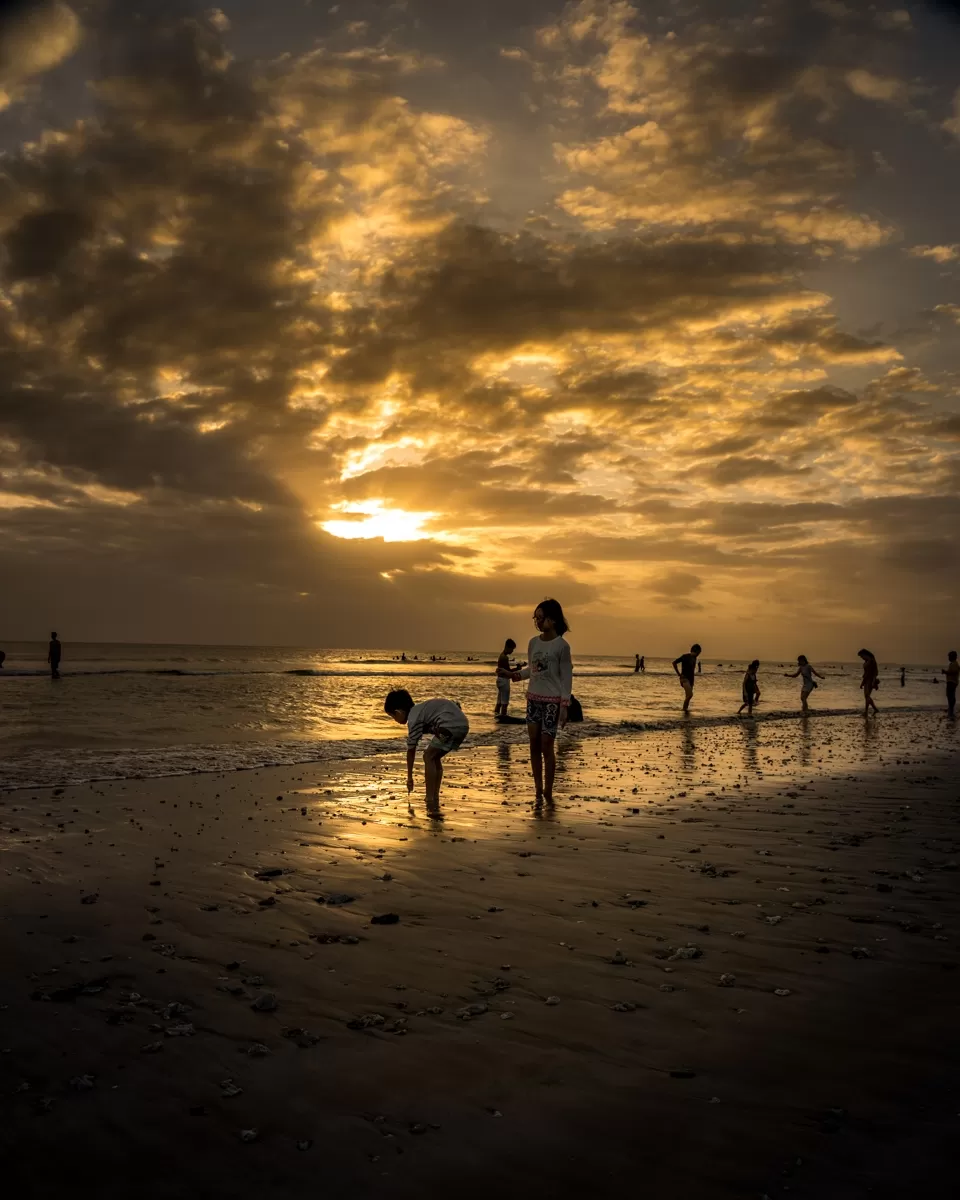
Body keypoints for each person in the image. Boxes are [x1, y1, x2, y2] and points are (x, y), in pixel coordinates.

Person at [513, 599, 572, 803]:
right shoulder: (533, 643)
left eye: (541, 618)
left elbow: (566, 676)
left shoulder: (562, 646)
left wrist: (564, 706)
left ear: (553, 620)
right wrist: (516, 676)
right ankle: (537, 789)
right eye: (535, 618)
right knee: (533, 744)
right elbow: (533, 669)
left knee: (547, 745)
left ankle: (548, 789)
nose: (538, 622)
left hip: (552, 702)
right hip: (533, 699)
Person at [384, 689, 469, 808]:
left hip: (449, 725)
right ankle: (434, 795)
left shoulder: (413, 718)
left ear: (398, 712)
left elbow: (411, 750)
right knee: (434, 757)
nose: (395, 720)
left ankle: (429, 798)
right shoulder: (420, 710)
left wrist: (409, 778)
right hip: (462, 724)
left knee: (428, 756)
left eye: (393, 716)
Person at [495, 638, 524, 718]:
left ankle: (496, 717)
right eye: (512, 649)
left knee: (499, 702)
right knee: (505, 703)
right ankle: (503, 718)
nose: (512, 651)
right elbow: (508, 673)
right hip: (504, 681)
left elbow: (506, 670)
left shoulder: (501, 655)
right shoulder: (505, 657)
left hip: (499, 680)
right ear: (508, 647)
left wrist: (516, 668)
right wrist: (517, 669)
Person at [672, 643, 701, 712]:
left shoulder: (695, 658)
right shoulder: (685, 656)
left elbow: (692, 670)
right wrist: (678, 674)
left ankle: (685, 712)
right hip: (684, 679)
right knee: (690, 695)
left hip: (691, 679)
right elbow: (674, 663)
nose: (699, 654)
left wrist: (693, 681)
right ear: (696, 650)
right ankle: (683, 710)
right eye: (699, 652)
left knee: (687, 696)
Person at [858, 649, 879, 715]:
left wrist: (873, 682)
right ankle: (866, 711)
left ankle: (875, 709)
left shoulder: (872, 661)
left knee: (867, 696)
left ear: (865, 654)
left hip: (870, 680)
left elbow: (875, 672)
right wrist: (862, 682)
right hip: (866, 680)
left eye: (862, 656)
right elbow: (866, 673)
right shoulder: (867, 661)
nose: (862, 658)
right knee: (866, 696)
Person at [943, 651, 958, 718]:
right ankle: (951, 712)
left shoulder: (954, 664)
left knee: (950, 698)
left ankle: (951, 713)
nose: (948, 657)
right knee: (951, 697)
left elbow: (953, 672)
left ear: (952, 656)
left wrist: (945, 672)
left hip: (951, 682)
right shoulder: (954, 664)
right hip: (952, 682)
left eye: (949, 656)